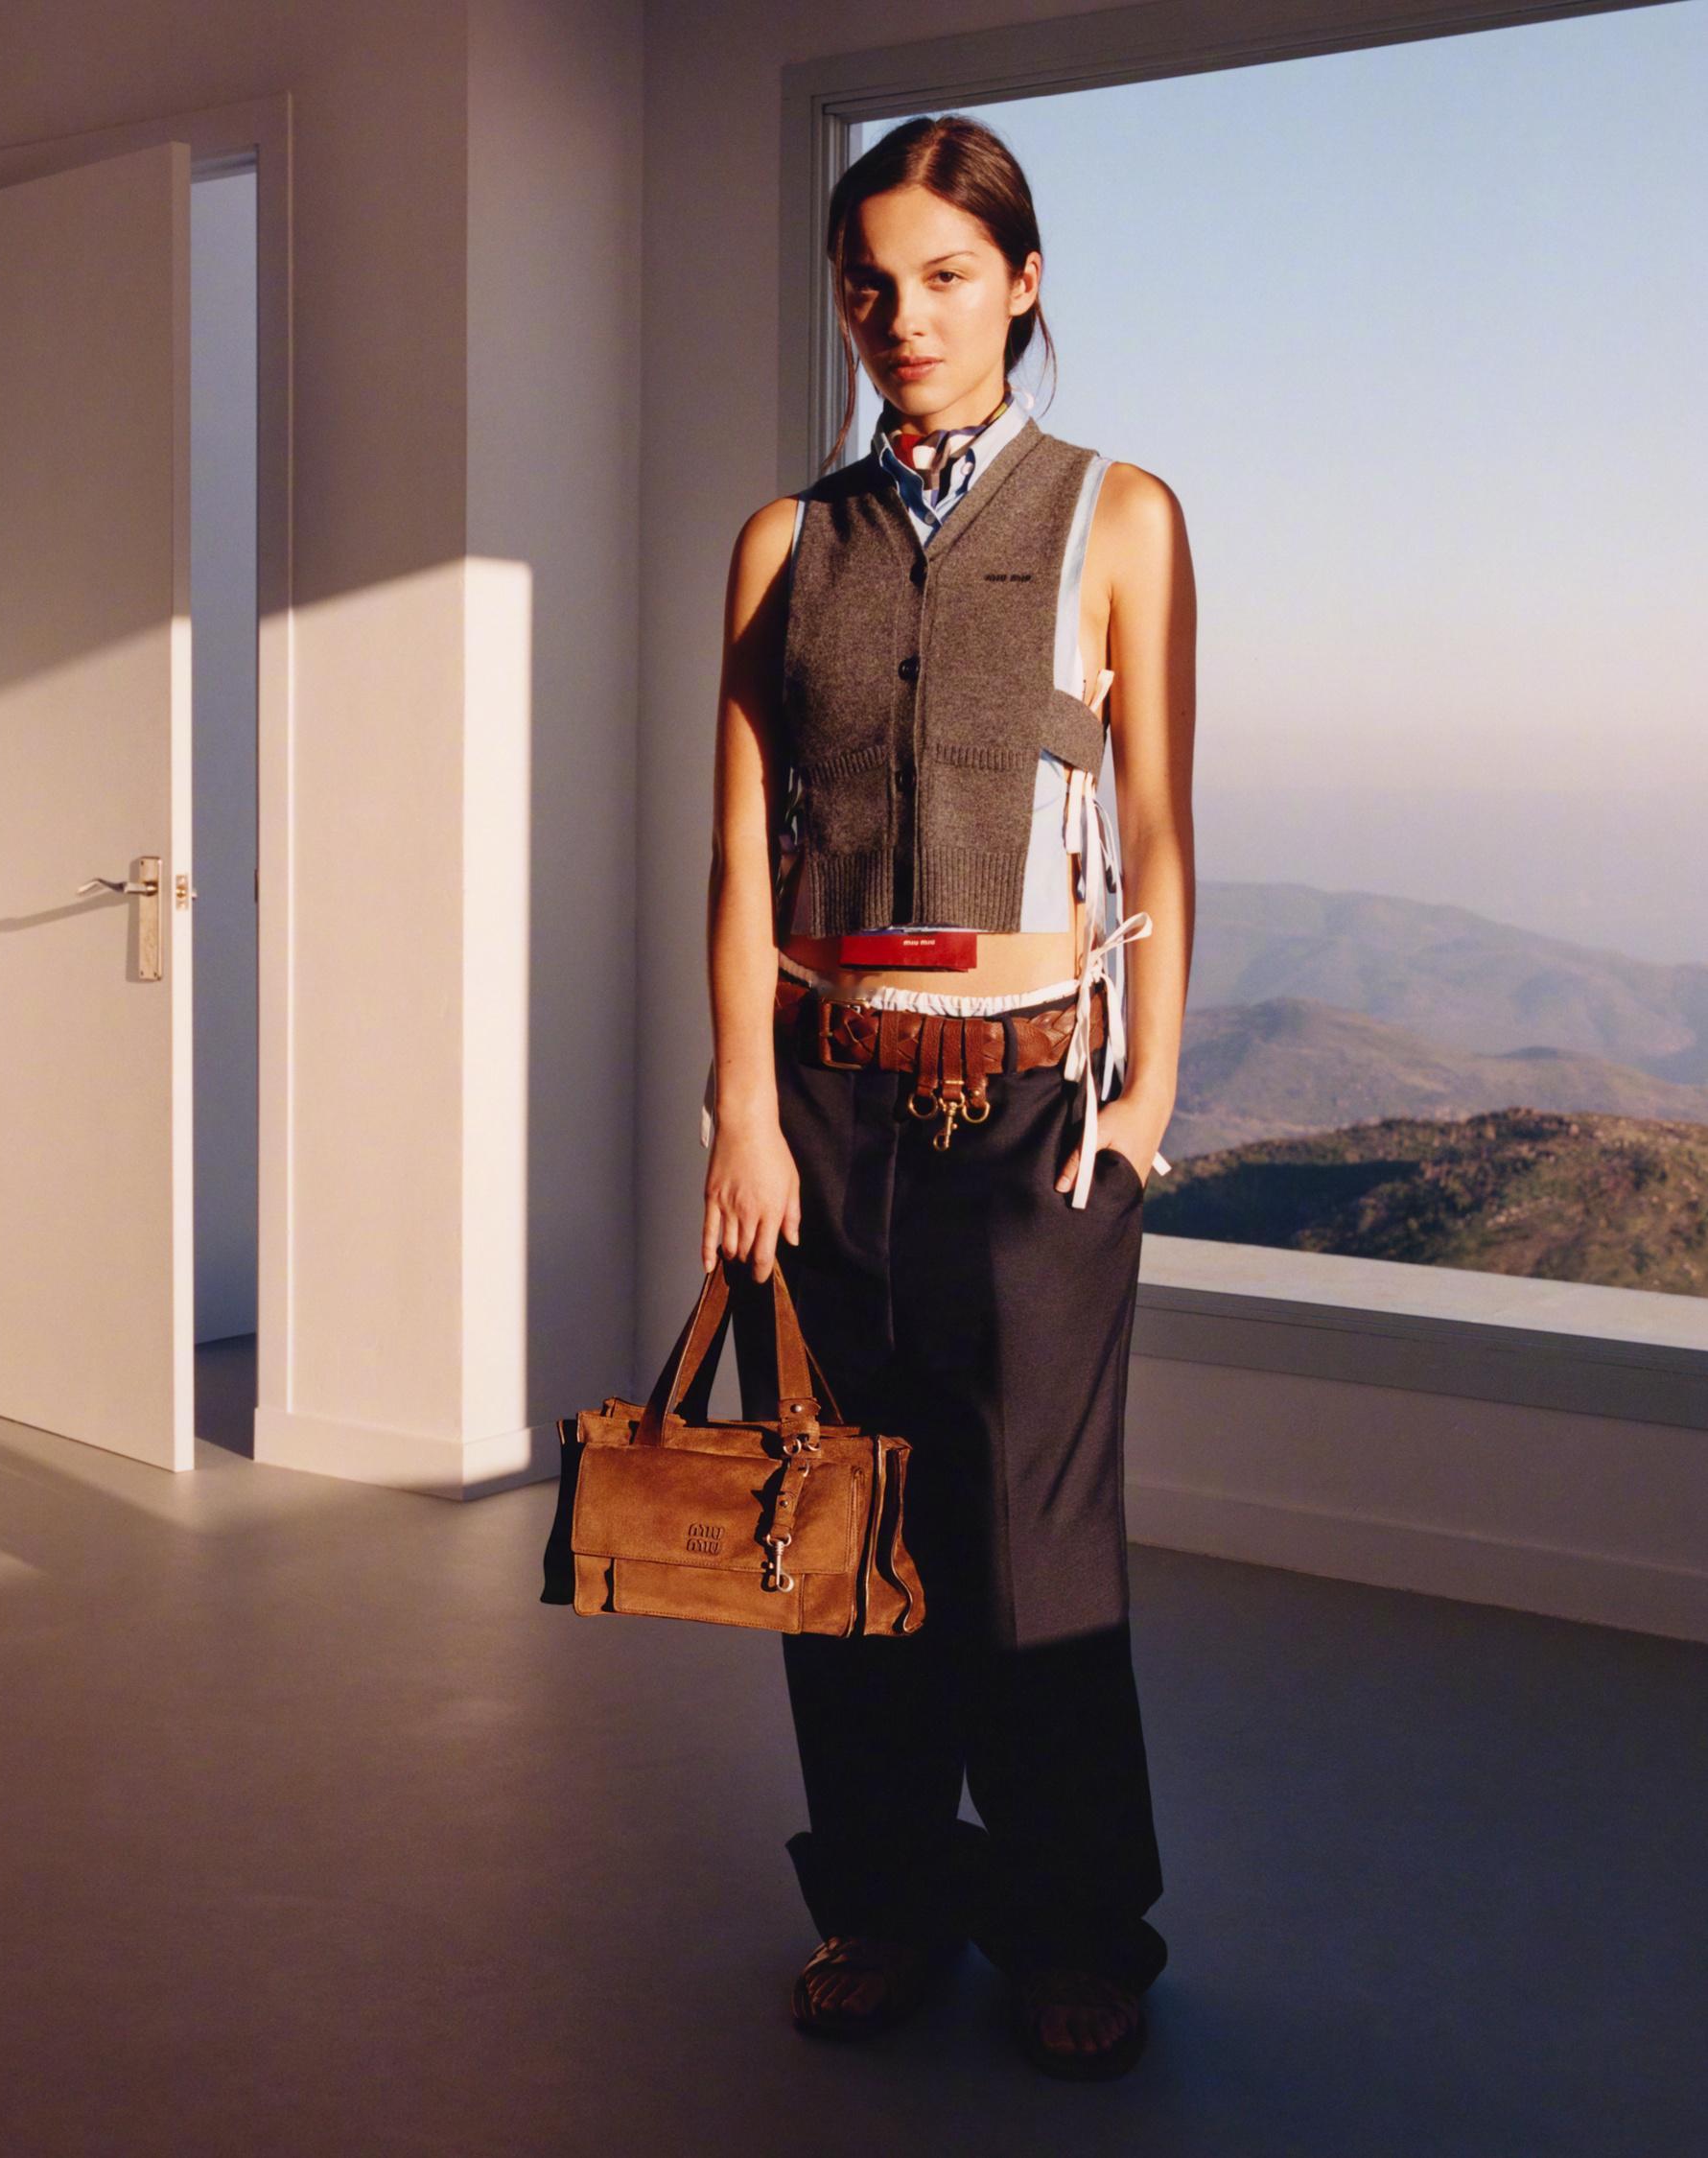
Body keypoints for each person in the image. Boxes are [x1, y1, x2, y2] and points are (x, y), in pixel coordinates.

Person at [684, 113, 1198, 2082]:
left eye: (949, 277)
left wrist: (1141, 1113)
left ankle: (1075, 1929)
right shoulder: (783, 542)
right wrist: (742, 1111)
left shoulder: (1116, 518)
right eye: (871, 283)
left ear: (1022, 283)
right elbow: (744, 857)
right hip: (820, 1113)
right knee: (838, 1524)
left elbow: (1156, 833)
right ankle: (886, 1902)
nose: (904, 316)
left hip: (1033, 1116)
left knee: (1031, 1553)